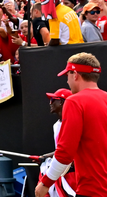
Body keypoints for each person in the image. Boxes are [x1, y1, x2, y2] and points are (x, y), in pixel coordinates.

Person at [35, 53, 106, 197]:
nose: (67, 81)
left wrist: (45, 184)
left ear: (75, 74)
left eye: (67, 75)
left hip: (92, 190)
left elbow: (65, 153)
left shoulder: (74, 101)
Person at [38, 89, 77, 197]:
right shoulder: (56, 125)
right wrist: (44, 157)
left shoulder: (74, 122)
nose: (49, 103)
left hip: (74, 174)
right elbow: (61, 150)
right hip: (62, 170)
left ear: (61, 102)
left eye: (52, 100)